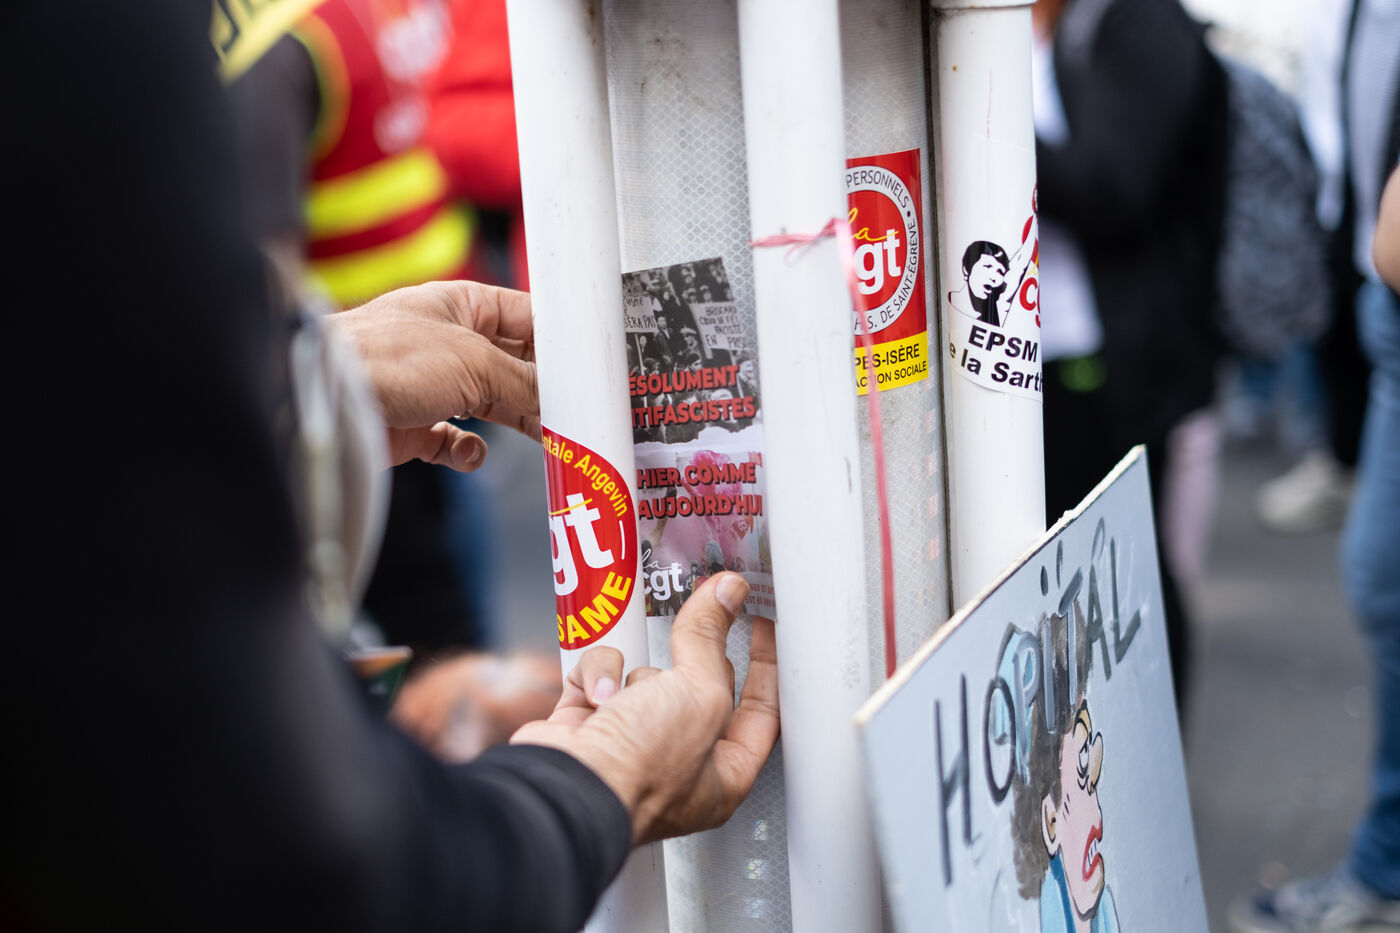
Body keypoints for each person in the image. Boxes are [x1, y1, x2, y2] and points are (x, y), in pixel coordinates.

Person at [3, 3, 779, 930]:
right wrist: (598, 784)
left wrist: (310, 375)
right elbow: (292, 851)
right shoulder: (93, 43)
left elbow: (67, 426)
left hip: (411, 427)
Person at [1032, 0, 1229, 706]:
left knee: (1127, 581)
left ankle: (1150, 752)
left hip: (1111, 367)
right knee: (1050, 593)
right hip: (1029, 364)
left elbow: (1115, 187)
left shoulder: (1138, 20)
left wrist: (980, 121)